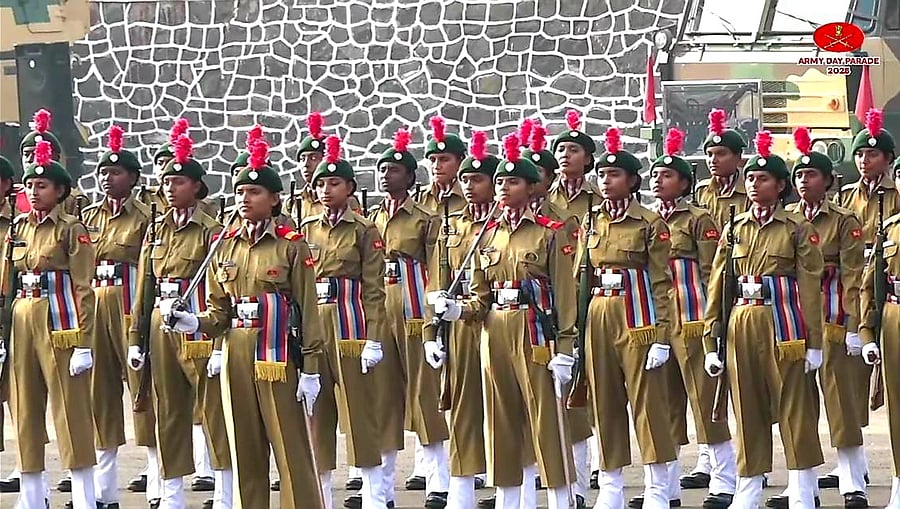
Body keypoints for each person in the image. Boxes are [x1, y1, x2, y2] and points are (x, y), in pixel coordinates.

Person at [166, 137, 327, 508]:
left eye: (254, 192)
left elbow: (308, 308)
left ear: (274, 199)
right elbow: (219, 312)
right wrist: (191, 322)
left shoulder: (291, 245)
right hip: (236, 353)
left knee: (290, 448)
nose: (244, 199)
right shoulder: (224, 245)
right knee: (244, 447)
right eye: (240, 192)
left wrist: (311, 368)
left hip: (277, 354)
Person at [431, 133, 576, 509]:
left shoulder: (549, 232)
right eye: (500, 182)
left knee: (545, 418)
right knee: (501, 418)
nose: (504, 188)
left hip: (534, 329)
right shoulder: (487, 235)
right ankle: (510, 499)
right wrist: (455, 310)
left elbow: (564, 294)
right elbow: (480, 298)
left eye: (512, 181)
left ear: (531, 188)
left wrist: (565, 347)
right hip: (493, 329)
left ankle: (561, 499)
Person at [703, 130, 825, 507]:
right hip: (742, 319)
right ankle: (748, 488)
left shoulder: (797, 229)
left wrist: (814, 342)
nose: (755, 185)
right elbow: (719, 285)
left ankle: (802, 488)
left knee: (795, 407)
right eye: (751, 178)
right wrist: (711, 339)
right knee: (746, 406)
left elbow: (810, 287)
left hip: (783, 323)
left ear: (781, 186)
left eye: (764, 179)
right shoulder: (735, 229)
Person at [126, 132, 234, 509]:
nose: (169, 188)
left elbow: (222, 289)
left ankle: (224, 493)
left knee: (213, 411)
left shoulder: (212, 231)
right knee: (168, 410)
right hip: (162, 322)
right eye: (166, 181)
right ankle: (171, 493)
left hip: (197, 324)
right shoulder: (156, 229)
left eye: (178, 182)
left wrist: (218, 344)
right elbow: (145, 288)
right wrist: (136, 338)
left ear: (197, 187)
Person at [573, 126, 677, 508]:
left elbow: (662, 283)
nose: (605, 181)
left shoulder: (649, 223)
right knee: (604, 402)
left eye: (614, 174)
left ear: (632, 181)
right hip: (600, 312)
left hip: (638, 317)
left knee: (648, 405)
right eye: (601, 174)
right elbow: (580, 278)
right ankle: (611, 487)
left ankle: (657, 489)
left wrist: (662, 337)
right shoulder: (591, 222)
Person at [2, 140, 98, 508]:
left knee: (70, 409)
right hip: (23, 318)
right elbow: (7, 283)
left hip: (59, 321)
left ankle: (84, 495)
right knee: (24, 407)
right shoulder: (19, 228)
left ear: (60, 191)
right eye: (29, 185)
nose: (33, 191)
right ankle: (32, 494)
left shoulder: (71, 229)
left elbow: (83, 287)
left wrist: (84, 342)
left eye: (42, 186)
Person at [646, 128, 737, 509]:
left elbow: (712, 273)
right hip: (657, 324)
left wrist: (714, 321)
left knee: (705, 401)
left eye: (667, 175)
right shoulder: (646, 220)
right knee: (662, 406)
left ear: (684, 183)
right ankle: (665, 488)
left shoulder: (698, 219)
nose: (658, 180)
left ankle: (724, 481)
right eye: (654, 175)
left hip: (693, 320)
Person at [299, 134, 386, 509]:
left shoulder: (364, 230)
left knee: (359, 413)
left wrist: (374, 337)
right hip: (315, 325)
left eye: (334, 182)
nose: (326, 190)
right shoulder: (306, 229)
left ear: (350, 188)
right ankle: (321, 495)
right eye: (321, 183)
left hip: (350, 325)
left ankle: (374, 494)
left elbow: (374, 289)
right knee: (316, 414)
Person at [783, 126, 868, 508]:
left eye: (812, 174)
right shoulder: (787, 219)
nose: (804, 181)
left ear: (829, 181)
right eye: (799, 175)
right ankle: (802, 485)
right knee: (797, 405)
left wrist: (853, 325)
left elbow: (853, 274)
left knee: (841, 403)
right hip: (795, 322)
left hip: (833, 319)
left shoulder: (843, 220)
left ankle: (852, 482)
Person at [80, 125, 157, 508]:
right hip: (96, 305)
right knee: (101, 393)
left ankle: (157, 480)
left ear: (134, 178)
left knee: (145, 393)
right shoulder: (88, 217)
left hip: (129, 306)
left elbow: (150, 272)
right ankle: (104, 489)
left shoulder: (145, 218)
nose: (107, 179)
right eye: (103, 173)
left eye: (115, 173)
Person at [422, 130, 498, 509]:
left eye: (477, 179)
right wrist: (430, 333)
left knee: (503, 405)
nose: (469, 186)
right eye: (465, 179)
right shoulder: (452, 226)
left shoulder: (505, 226)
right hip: (460, 324)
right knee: (464, 406)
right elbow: (437, 282)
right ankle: (462, 487)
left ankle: (511, 485)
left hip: (499, 322)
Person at [525, 119, 593, 507]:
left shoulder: (568, 214)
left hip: (569, 308)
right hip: (529, 316)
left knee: (573, 403)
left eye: (536, 174)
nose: (529, 181)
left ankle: (576, 485)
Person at [830, 108, 898, 490]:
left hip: (887, 283)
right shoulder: (845, 196)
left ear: (887, 158)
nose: (864, 160)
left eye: (872, 154)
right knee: (849, 377)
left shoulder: (897, 194)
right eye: (859, 154)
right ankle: (853, 462)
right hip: (854, 287)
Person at [858, 194, 900, 507]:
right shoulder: (890, 228)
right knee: (897, 406)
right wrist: (867, 333)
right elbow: (870, 285)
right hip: (894, 315)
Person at [289, 112, 361, 222]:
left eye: (313, 158)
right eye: (302, 159)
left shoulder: (346, 199)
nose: (306, 164)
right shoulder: (293, 200)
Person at [18, 109, 87, 220]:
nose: (30, 159)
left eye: (37, 153)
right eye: (26, 154)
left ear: (54, 157)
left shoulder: (74, 200)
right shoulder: (12, 197)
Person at [693, 109, 750, 232]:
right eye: (709, 154)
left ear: (738, 156)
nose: (713, 160)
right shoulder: (701, 190)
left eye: (721, 154)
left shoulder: (749, 190)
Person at [548, 110, 600, 222]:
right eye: (560, 150)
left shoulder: (599, 198)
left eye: (573, 150)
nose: (565, 155)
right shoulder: (546, 195)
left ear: (587, 159)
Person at [414, 115, 468, 215]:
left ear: (460, 162)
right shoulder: (419, 197)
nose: (436, 166)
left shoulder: (469, 197)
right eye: (432, 160)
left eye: (444, 159)